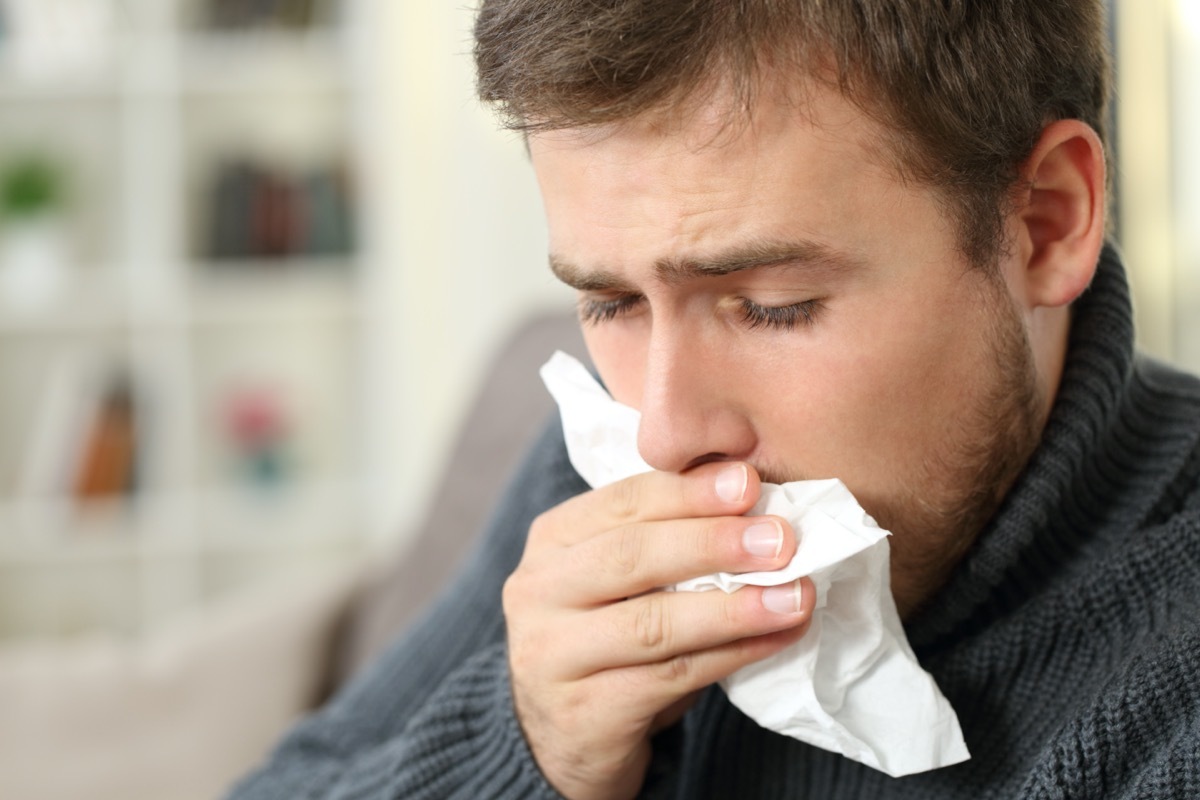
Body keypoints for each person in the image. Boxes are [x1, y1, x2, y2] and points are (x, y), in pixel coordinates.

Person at [228, 1, 1200, 798]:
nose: (663, 434)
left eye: (772, 306)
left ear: (1046, 222)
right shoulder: (595, 471)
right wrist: (526, 746)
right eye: (611, 303)